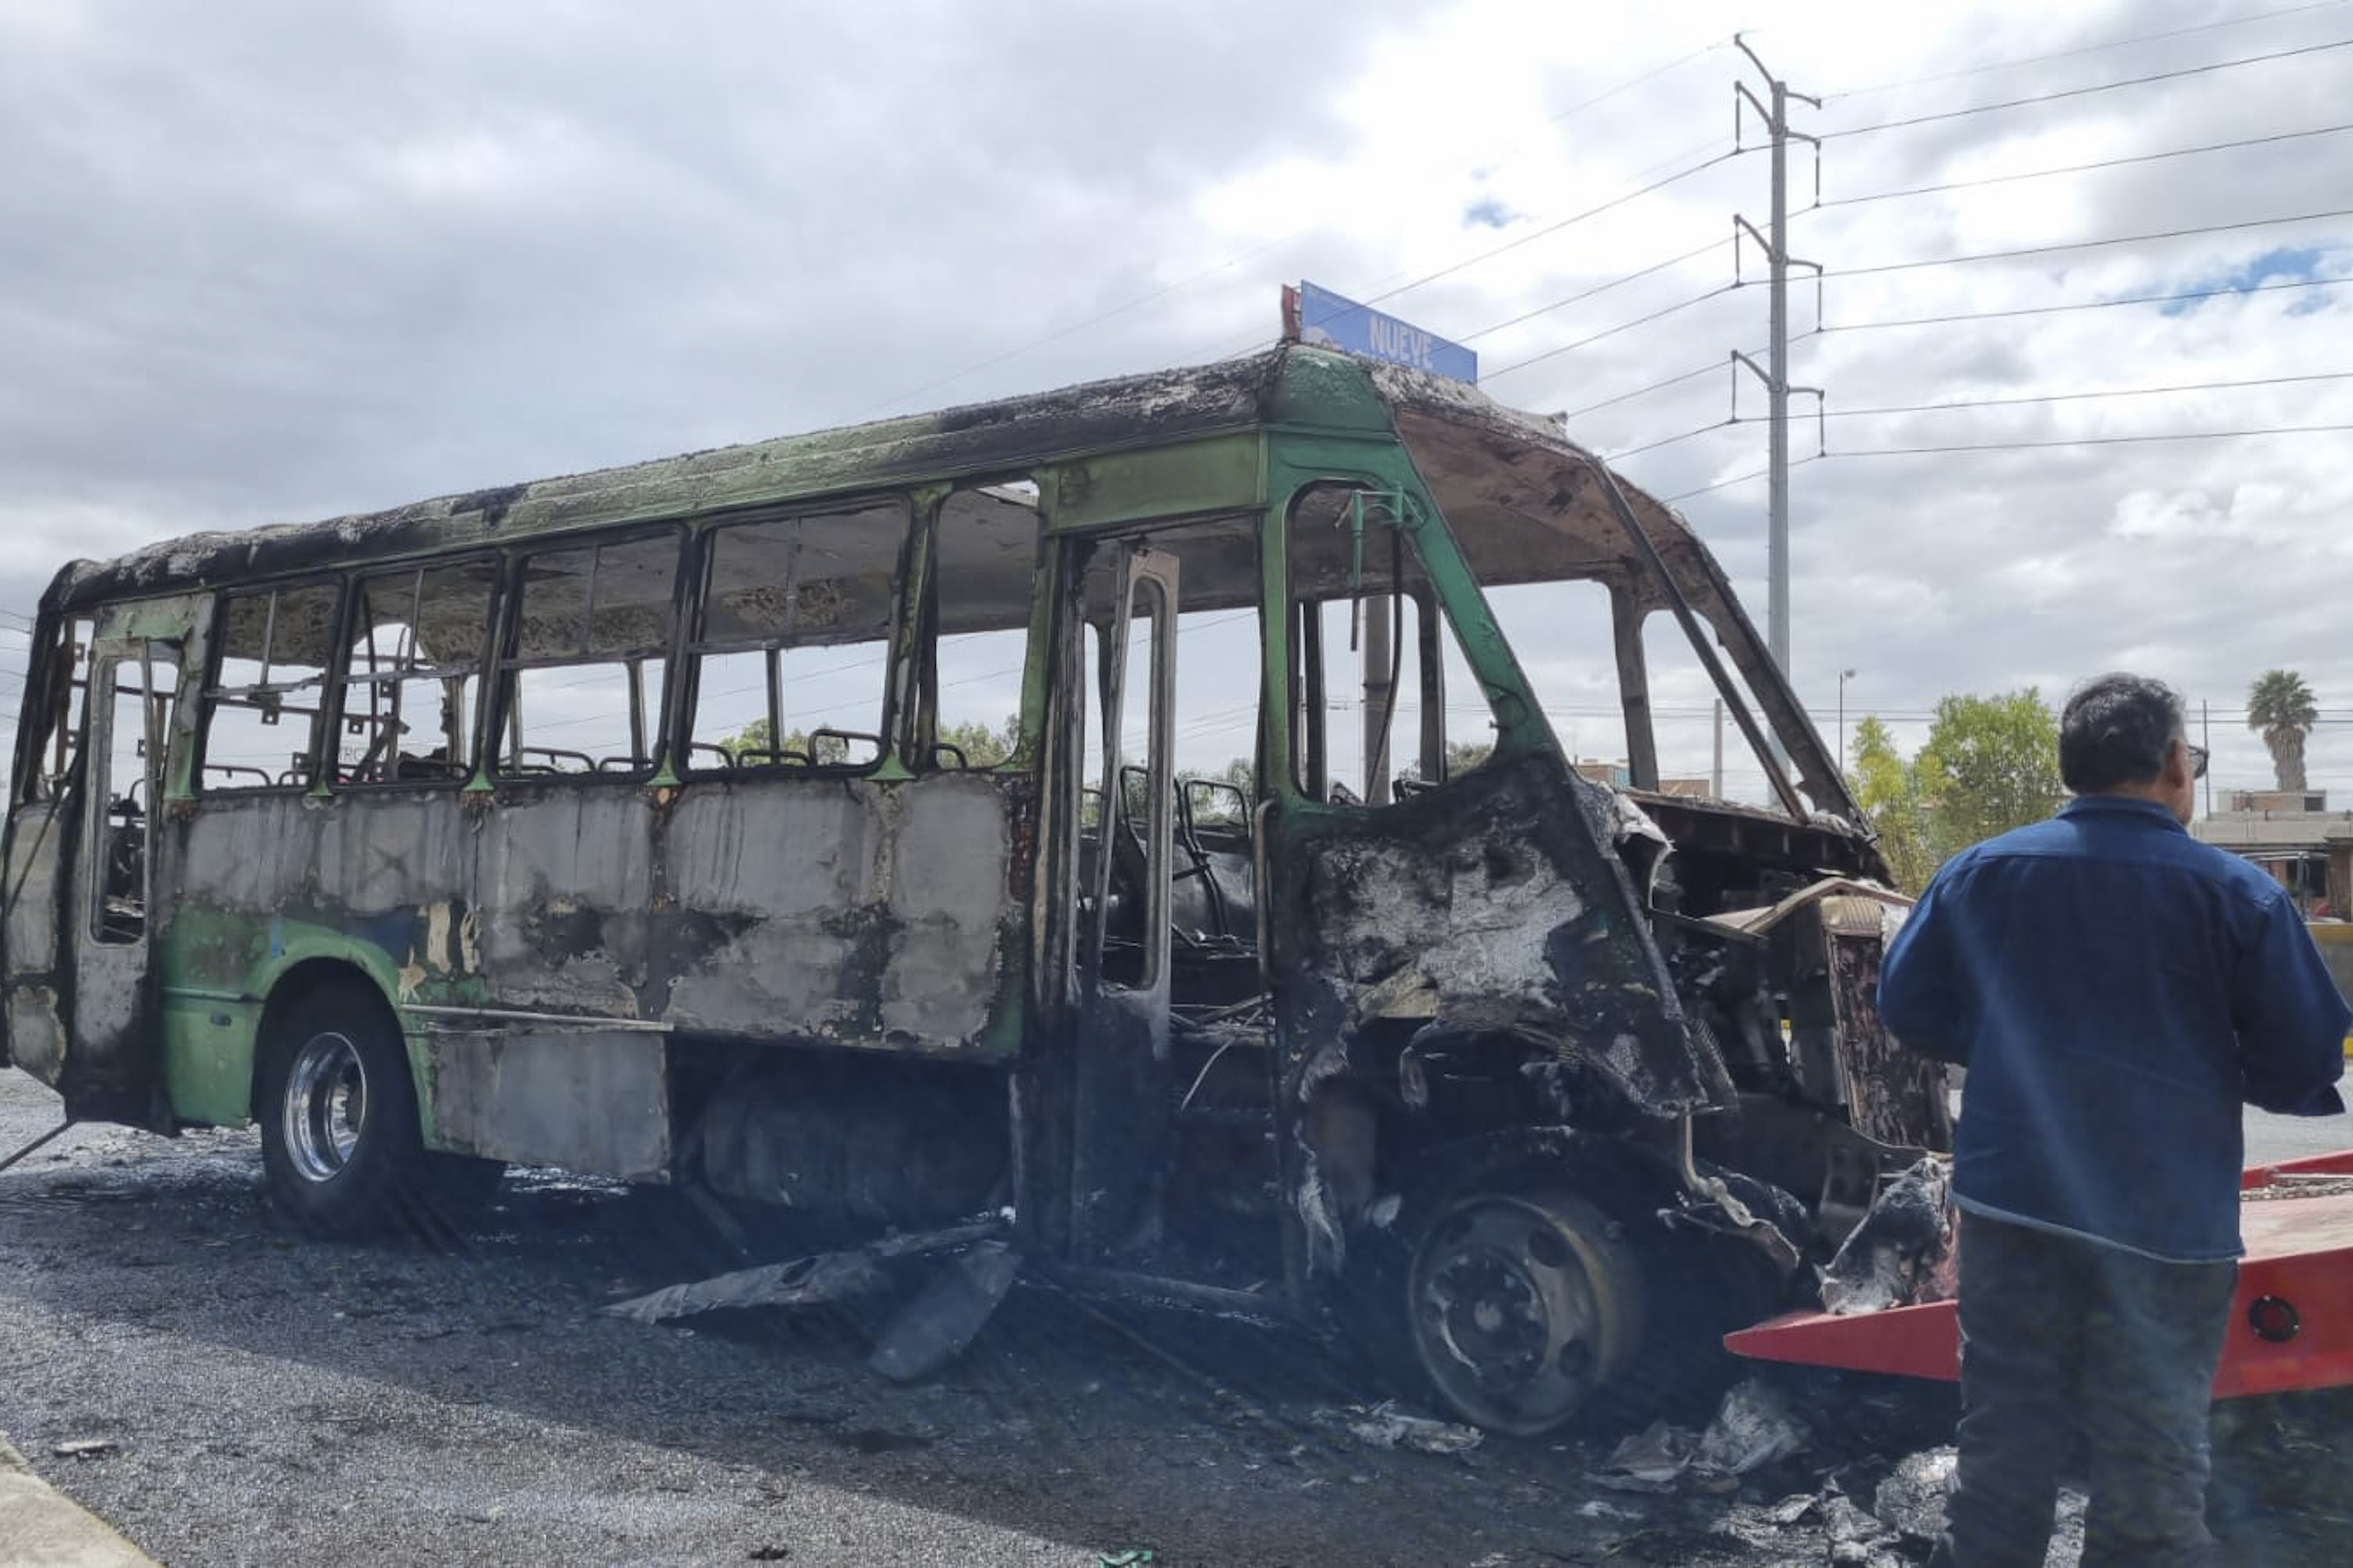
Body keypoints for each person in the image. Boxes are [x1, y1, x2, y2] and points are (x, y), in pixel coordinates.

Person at [1878, 672, 2348, 1566]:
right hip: (2165, 1227)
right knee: (2152, 1470)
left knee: (2003, 1448)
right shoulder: (2238, 895)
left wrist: (2012, 1052)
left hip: (2014, 1207)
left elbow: (1907, 1007)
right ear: (2175, 763)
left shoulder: (1980, 873)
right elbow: (2305, 1063)